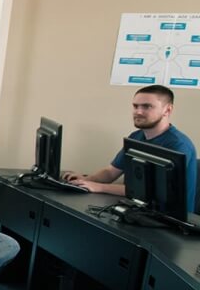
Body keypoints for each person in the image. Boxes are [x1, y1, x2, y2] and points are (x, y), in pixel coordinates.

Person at [63, 85, 196, 210]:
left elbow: (151, 192)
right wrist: (86, 180)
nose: (138, 112)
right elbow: (111, 172)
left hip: (168, 220)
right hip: (137, 208)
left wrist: (99, 187)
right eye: (135, 106)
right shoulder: (136, 136)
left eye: (147, 106)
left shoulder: (178, 145)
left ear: (167, 110)